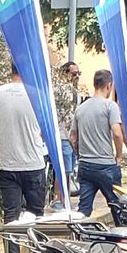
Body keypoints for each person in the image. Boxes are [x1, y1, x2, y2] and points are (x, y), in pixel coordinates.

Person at [0, 63, 48, 253]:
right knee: (37, 217)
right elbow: (44, 130)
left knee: (11, 217)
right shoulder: (37, 94)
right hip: (33, 162)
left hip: (6, 163)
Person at [71, 68, 125, 216]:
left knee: (84, 208)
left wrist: (79, 154)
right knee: (117, 206)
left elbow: (72, 138)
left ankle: (81, 234)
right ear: (109, 85)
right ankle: (120, 234)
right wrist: (119, 156)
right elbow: (116, 133)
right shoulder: (110, 106)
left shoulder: (80, 109)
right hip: (106, 165)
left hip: (85, 166)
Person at [52, 60, 84, 207]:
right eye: (74, 73)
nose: (77, 76)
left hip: (72, 136)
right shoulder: (60, 91)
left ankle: (65, 200)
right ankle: (58, 199)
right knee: (63, 171)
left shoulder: (75, 92)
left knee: (69, 171)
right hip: (62, 136)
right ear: (65, 74)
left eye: (79, 73)